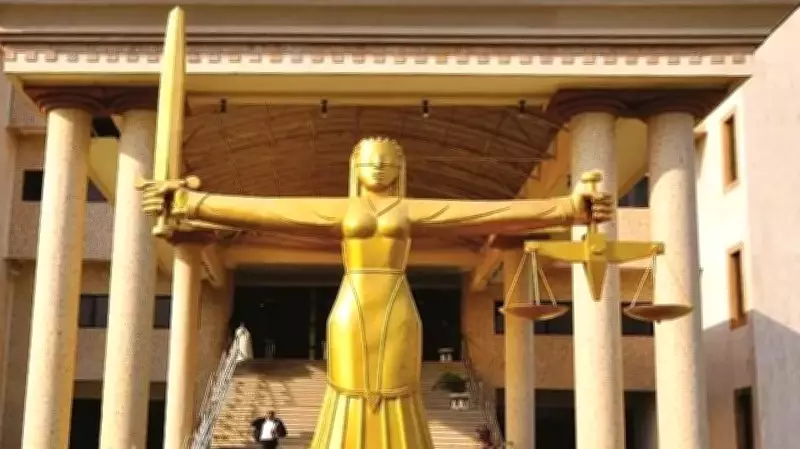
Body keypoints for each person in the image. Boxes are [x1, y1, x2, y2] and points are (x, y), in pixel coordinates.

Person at [142, 137, 612, 448]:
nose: (380, 166)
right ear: (355, 167)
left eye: (389, 161)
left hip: (397, 306)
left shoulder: (409, 210)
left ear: (401, 168)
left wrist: (569, 208)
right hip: (351, 309)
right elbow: (267, 211)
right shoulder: (341, 209)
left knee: (398, 390)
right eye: (371, 160)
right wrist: (189, 201)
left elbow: (487, 214)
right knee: (348, 389)